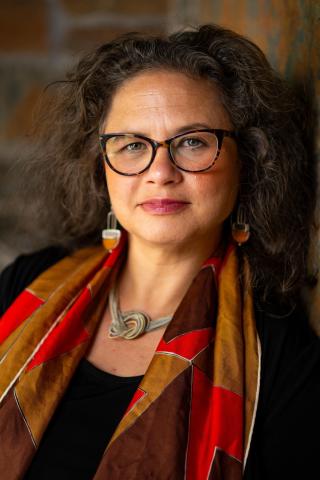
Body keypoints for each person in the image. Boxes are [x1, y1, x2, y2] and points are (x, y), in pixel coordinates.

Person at [0, 24, 319, 480]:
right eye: (132, 145)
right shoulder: (24, 283)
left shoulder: (279, 356)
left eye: (192, 142)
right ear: (100, 165)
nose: (159, 172)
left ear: (246, 160)